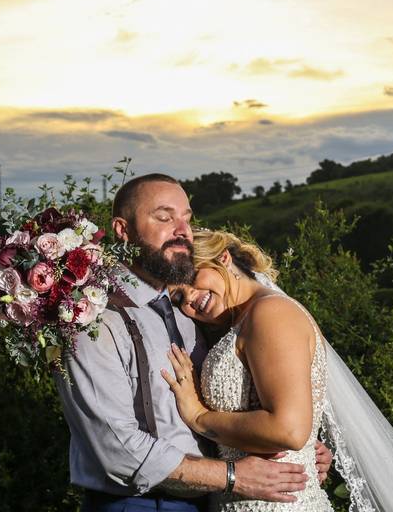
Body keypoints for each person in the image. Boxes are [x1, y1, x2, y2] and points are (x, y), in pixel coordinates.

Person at [56, 174, 332, 512]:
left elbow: (254, 401)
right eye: (164, 216)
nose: (181, 229)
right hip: (142, 503)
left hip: (219, 499)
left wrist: (297, 445)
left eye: (186, 217)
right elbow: (116, 448)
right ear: (122, 229)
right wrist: (231, 476)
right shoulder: (94, 317)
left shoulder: (193, 316)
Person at [163, 229, 393, 512]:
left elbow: (289, 430)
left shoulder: (270, 314)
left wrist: (199, 417)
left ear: (223, 260)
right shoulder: (240, 323)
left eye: (191, 278)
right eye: (178, 298)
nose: (188, 298)